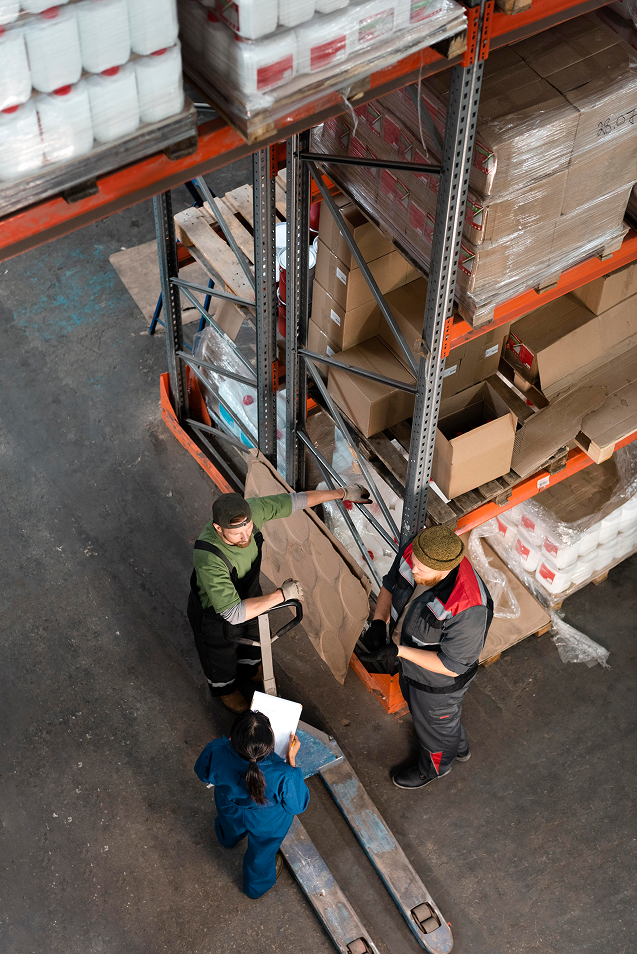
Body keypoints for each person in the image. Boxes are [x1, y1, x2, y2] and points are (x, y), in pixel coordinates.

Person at [188, 487, 371, 713]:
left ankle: (249, 668)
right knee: (220, 654)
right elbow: (233, 613)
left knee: (254, 635)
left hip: (249, 595)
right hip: (216, 615)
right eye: (236, 534)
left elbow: (295, 501)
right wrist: (281, 595)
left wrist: (342, 493)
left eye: (248, 528)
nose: (246, 537)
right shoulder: (209, 557)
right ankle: (224, 688)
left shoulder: (253, 510)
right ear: (218, 528)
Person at [360, 525, 493, 790]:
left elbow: (453, 666)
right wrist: (378, 621)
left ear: (445, 570)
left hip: (437, 683)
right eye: (413, 563)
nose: (414, 569)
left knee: (435, 725)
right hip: (410, 667)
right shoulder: (415, 552)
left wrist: (399, 651)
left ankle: (435, 768)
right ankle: (457, 744)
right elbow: (390, 583)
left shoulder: (469, 606)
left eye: (421, 569)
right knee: (437, 722)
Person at [194, 709, 309, 899]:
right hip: (267, 821)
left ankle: (226, 840)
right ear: (269, 745)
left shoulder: (216, 750)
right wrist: (291, 760)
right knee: (262, 852)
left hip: (229, 807)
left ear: (233, 738)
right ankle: (255, 888)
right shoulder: (284, 774)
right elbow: (297, 805)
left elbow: (202, 773)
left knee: (229, 826)